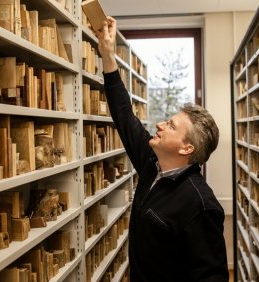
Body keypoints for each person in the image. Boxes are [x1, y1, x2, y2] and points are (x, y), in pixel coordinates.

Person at [94, 17, 229, 282]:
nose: (159, 124)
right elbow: (124, 116)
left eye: (170, 125)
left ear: (186, 147)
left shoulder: (200, 205)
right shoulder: (151, 165)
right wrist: (108, 55)